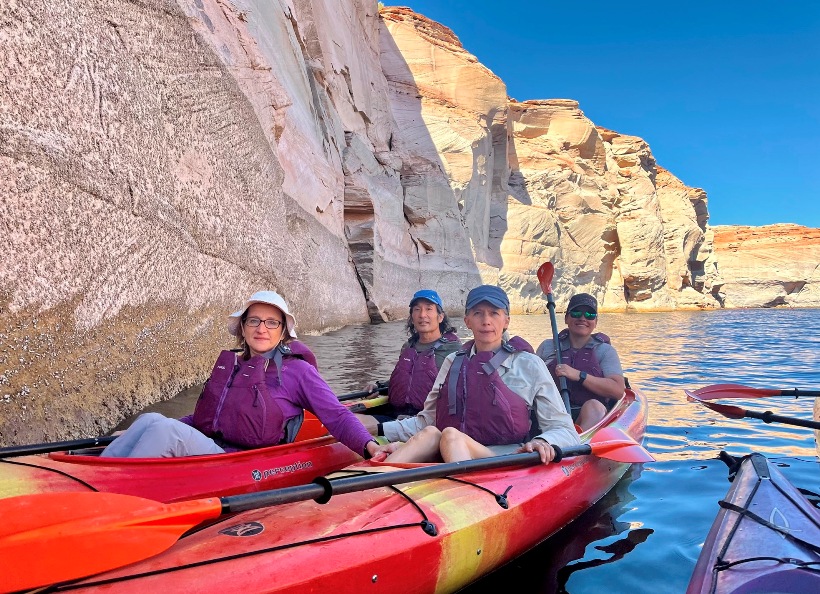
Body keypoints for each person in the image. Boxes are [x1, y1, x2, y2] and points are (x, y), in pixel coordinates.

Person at [101, 290, 381, 459]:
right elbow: (209, 417)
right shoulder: (234, 364)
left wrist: (369, 446)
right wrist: (145, 430)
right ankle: (93, 475)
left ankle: (106, 492)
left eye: (272, 322)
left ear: (283, 331)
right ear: (243, 328)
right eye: (254, 321)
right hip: (213, 447)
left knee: (164, 430)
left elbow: (337, 415)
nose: (262, 328)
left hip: (242, 462)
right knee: (152, 419)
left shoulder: (299, 372)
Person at [371, 285, 580, 465]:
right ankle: (375, 480)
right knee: (431, 433)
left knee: (451, 436)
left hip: (507, 458)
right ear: (468, 321)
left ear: (506, 320)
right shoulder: (454, 361)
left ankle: (462, 498)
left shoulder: (529, 364)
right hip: (449, 452)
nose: (486, 321)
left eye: (494, 313)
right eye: (478, 313)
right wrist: (378, 430)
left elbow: (565, 430)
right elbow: (426, 422)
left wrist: (543, 442)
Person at [357, 290, 462, 432]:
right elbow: (408, 380)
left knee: (363, 429)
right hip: (396, 416)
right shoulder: (408, 347)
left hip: (428, 423)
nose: (422, 314)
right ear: (412, 317)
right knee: (348, 421)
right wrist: (379, 387)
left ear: (440, 317)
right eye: (417, 309)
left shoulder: (453, 349)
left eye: (429, 309)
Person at [536, 293, 626, 431]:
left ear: (595, 322)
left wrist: (579, 376)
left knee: (594, 407)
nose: (583, 318)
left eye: (590, 315)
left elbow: (618, 391)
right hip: (551, 415)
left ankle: (575, 445)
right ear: (566, 318)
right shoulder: (547, 346)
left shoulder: (605, 351)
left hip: (587, 417)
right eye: (576, 312)